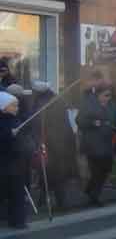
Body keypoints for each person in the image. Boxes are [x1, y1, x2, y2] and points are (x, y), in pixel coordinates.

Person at [31, 81, 76, 210]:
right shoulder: (57, 100)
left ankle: (58, 201)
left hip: (50, 142)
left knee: (52, 171)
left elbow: (37, 124)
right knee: (52, 171)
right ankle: (50, 198)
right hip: (60, 142)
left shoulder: (42, 104)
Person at [77, 83, 115, 207]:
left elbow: (115, 118)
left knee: (106, 169)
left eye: (109, 95)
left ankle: (90, 189)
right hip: (92, 143)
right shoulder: (89, 105)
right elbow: (79, 120)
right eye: (105, 95)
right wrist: (93, 122)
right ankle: (94, 196)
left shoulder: (110, 105)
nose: (108, 98)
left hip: (107, 143)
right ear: (98, 95)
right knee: (96, 171)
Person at [0, 92, 26, 231]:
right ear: (4, 107)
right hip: (4, 162)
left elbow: (24, 137)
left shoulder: (16, 119)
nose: (17, 108)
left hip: (16, 161)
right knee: (6, 191)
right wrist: (9, 134)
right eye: (14, 105)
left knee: (17, 192)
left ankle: (18, 220)